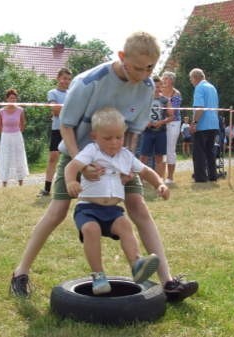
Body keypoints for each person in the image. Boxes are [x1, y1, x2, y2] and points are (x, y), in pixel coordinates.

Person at [10, 31, 198, 302]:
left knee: (139, 208)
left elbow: (134, 130)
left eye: (150, 68)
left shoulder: (146, 88)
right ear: (122, 57)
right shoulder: (89, 82)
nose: (144, 74)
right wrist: (81, 165)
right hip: (79, 152)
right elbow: (66, 125)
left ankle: (168, 283)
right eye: (138, 67)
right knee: (57, 211)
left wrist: (125, 165)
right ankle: (20, 274)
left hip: (119, 153)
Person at [65, 107, 167, 294]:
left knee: (125, 226)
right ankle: (98, 276)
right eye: (107, 138)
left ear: (124, 135)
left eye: (118, 137)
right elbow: (71, 167)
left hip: (113, 211)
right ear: (95, 136)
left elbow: (145, 171)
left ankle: (137, 265)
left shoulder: (126, 155)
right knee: (91, 229)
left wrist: (160, 184)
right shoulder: (91, 151)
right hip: (88, 208)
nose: (114, 143)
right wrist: (71, 181)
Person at [37, 68, 72, 197]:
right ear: (58, 78)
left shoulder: (72, 93)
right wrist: (69, 112)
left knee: (75, 157)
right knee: (53, 158)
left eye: (68, 79)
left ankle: (75, 186)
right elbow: (55, 111)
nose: (66, 81)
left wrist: (65, 111)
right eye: (64, 78)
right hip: (57, 129)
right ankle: (47, 189)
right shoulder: (52, 92)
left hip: (70, 129)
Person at [188, 68, 219, 182]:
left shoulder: (199, 88)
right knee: (210, 151)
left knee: (199, 152)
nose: (191, 81)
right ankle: (213, 175)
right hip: (214, 123)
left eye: (191, 79)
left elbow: (199, 108)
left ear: (195, 78)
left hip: (203, 124)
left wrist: (194, 123)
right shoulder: (212, 87)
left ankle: (200, 177)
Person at [139, 76, 173, 178]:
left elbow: (171, 116)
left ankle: (159, 180)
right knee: (143, 157)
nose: (157, 89)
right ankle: (141, 180)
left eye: (159, 87)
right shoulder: (144, 99)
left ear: (161, 87)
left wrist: (162, 122)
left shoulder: (165, 100)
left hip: (161, 132)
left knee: (159, 157)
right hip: (147, 132)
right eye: (155, 86)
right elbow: (137, 115)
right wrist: (145, 122)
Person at [0, 89, 29, 187]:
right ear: (7, 99)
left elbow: (23, 123)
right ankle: (4, 182)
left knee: (19, 158)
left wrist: (17, 133)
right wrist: (5, 134)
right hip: (5, 137)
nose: (13, 100)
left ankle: (21, 182)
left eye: (14, 98)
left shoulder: (20, 110)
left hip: (17, 136)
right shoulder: (1, 111)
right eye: (11, 98)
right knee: (5, 158)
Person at [161, 71, 182, 185]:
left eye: (166, 78)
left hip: (173, 123)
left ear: (172, 81)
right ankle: (159, 176)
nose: (163, 80)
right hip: (160, 123)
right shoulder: (159, 91)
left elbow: (173, 112)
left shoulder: (176, 94)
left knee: (170, 150)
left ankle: (170, 177)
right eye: (163, 78)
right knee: (160, 150)